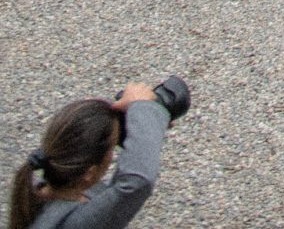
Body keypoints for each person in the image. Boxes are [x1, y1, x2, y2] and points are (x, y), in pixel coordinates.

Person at [10, 88, 167, 229]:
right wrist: (144, 111)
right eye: (112, 149)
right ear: (89, 174)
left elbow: (112, 193)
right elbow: (136, 182)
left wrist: (144, 122)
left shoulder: (35, 193)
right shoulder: (76, 222)